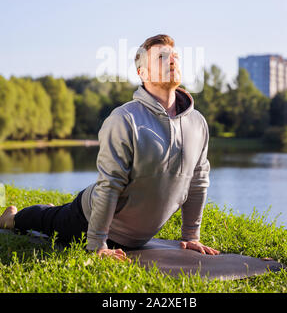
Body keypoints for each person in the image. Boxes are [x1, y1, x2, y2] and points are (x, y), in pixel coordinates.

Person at [0, 34, 220, 262]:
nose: (172, 60)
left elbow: (198, 181)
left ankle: (51, 209)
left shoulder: (197, 123)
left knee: (54, 213)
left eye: (175, 56)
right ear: (142, 74)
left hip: (137, 235)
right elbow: (110, 183)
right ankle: (12, 218)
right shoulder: (124, 119)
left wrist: (191, 236)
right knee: (48, 221)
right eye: (162, 57)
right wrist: (97, 244)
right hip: (89, 219)